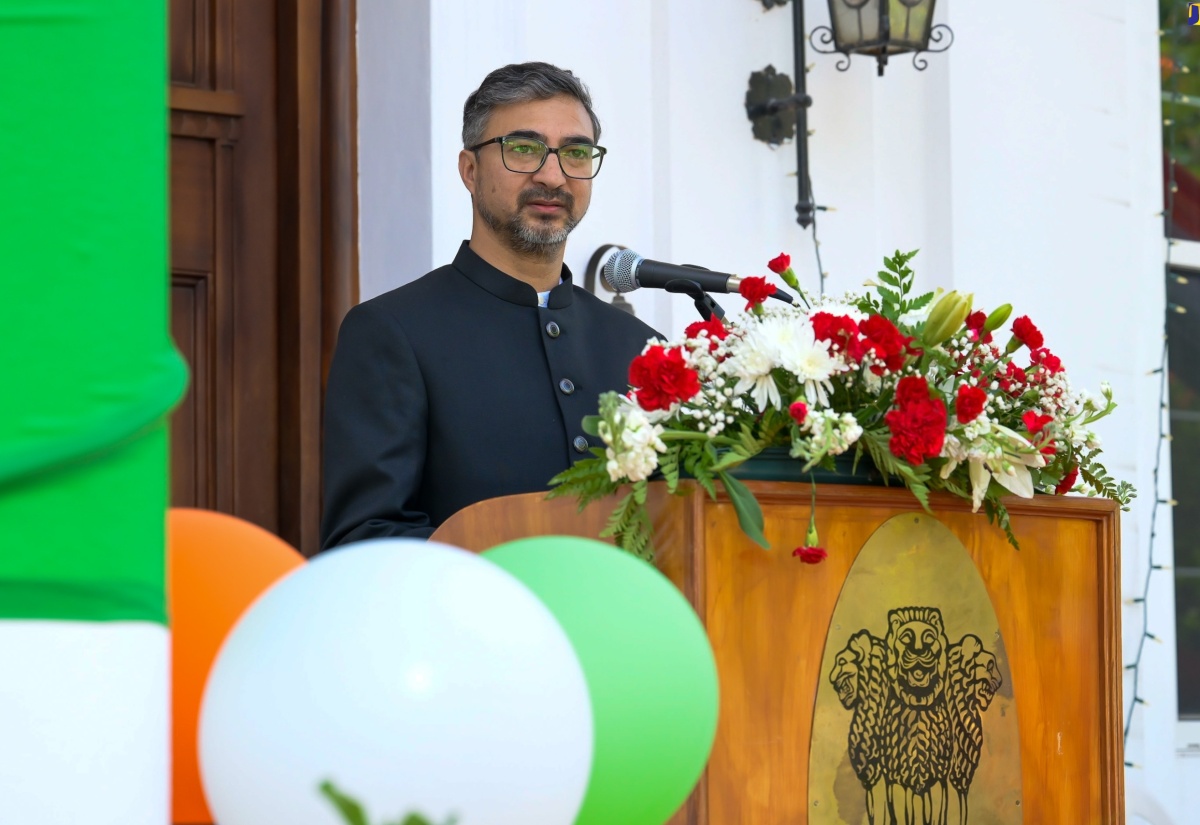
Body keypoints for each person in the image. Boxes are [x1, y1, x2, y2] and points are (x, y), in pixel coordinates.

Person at [320, 62, 660, 550]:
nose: (553, 175)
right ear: (470, 170)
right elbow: (368, 539)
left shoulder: (642, 348)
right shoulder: (393, 332)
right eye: (523, 149)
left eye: (576, 153)